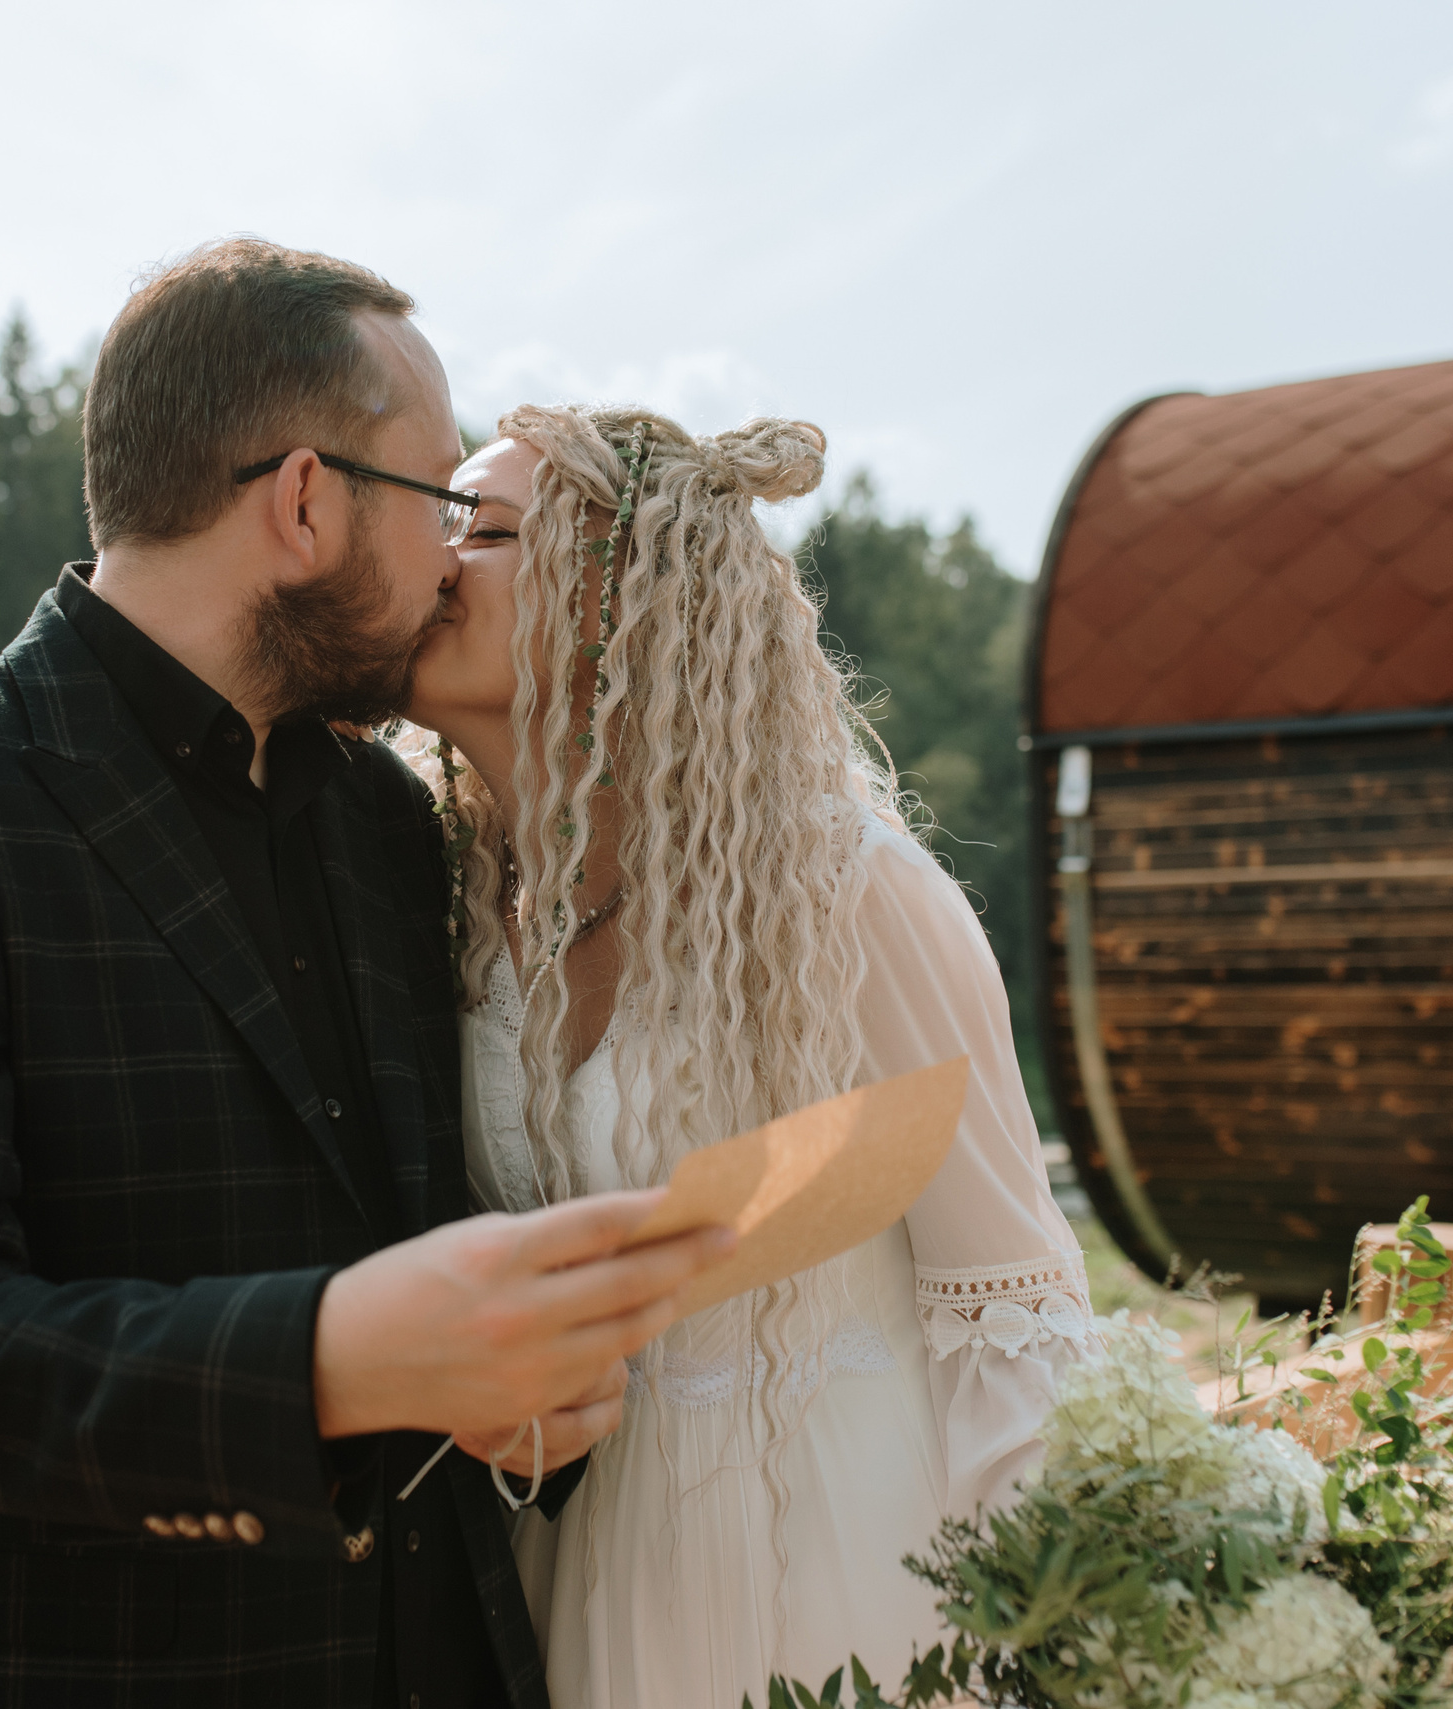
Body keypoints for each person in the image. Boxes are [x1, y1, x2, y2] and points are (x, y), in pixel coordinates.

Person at [0, 242, 730, 1708]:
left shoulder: (387, 814)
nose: (451, 560)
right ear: (307, 502)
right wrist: (329, 1362)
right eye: (439, 499)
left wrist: (510, 1391)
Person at [399, 406, 1095, 1707]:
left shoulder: (848, 894)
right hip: (577, 1587)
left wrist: (1049, 1655)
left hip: (846, 1584)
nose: (431, 561)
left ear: (622, 598)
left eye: (482, 530)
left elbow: (1014, 1322)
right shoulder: (451, 913)